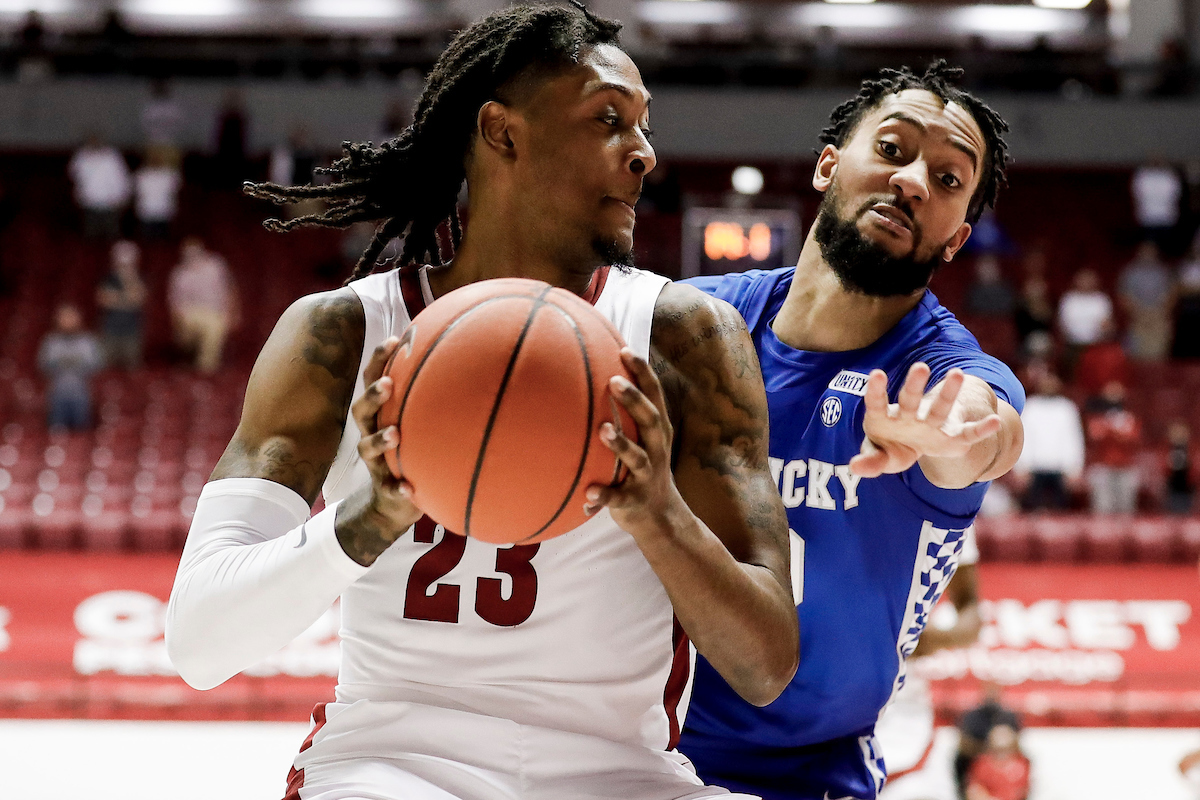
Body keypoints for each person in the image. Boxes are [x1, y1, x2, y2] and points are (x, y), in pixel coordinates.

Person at [165, 6, 798, 800]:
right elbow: (198, 642)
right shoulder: (341, 334)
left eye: (642, 124)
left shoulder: (684, 337)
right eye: (609, 120)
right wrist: (368, 518)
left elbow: (768, 664)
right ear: (502, 133)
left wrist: (657, 513)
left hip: (621, 775)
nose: (644, 153)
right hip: (389, 766)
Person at [678, 62, 1025, 800]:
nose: (913, 183)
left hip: (804, 772)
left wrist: (958, 442)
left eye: (948, 179)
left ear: (957, 237)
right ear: (828, 164)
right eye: (894, 151)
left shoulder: (942, 374)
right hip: (633, 739)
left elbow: (988, 427)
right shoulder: (694, 321)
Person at [876, 532, 982, 800]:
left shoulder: (951, 494)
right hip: (817, 705)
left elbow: (971, 614)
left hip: (904, 717)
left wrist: (927, 638)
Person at [1010, 370, 1084, 511]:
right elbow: (1024, 438)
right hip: (1035, 468)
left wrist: (1075, 468)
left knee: (1060, 510)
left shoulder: (1067, 408)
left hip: (1060, 468)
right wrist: (1021, 466)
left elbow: (1073, 439)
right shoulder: (1030, 406)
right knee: (1033, 510)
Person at [167, 236, 237, 374]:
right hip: (190, 312)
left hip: (214, 311)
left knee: (214, 327)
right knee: (189, 331)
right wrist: (178, 322)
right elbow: (175, 303)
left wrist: (231, 312)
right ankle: (191, 360)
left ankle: (205, 371)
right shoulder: (179, 274)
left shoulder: (216, 265)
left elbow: (229, 288)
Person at [38, 303, 104, 431]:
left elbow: (97, 365)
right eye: (64, 318)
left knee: (81, 433)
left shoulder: (88, 341)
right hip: (57, 394)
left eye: (71, 318)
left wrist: (71, 364)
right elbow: (43, 366)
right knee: (57, 433)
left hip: (81, 394)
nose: (68, 321)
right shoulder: (50, 341)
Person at [1083, 380, 1142, 514]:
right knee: (1102, 509)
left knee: (1126, 510)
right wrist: (1116, 430)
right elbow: (1095, 436)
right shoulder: (1096, 416)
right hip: (1102, 466)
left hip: (1125, 467)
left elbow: (1133, 439)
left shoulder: (1129, 416)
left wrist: (1110, 429)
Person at [1118, 241, 1175, 362]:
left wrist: (1161, 312)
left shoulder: (1164, 272)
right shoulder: (1129, 272)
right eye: (1144, 251)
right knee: (1137, 354)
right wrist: (1137, 312)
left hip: (1158, 317)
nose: (1147, 254)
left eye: (1150, 251)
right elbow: (1123, 296)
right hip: (1138, 317)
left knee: (1158, 354)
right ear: (1138, 253)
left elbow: (1172, 294)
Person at [95, 239, 147, 369]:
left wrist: (128, 283)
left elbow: (138, 299)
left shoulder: (139, 278)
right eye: (122, 263)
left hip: (132, 328)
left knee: (132, 366)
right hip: (110, 327)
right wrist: (126, 299)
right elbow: (104, 300)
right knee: (104, 365)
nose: (124, 266)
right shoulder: (108, 279)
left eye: (128, 263)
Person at [68, 134, 131, 238]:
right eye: (91, 141)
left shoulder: (112, 156)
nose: (94, 143)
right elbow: (74, 175)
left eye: (96, 140)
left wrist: (122, 197)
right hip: (90, 202)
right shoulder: (81, 156)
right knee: (91, 234)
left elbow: (121, 177)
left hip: (111, 203)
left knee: (112, 235)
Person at [964, 725, 1029, 800]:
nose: (1002, 756)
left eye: (1006, 750)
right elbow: (974, 790)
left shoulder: (1022, 764)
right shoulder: (982, 764)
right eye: (998, 751)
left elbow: (1022, 792)